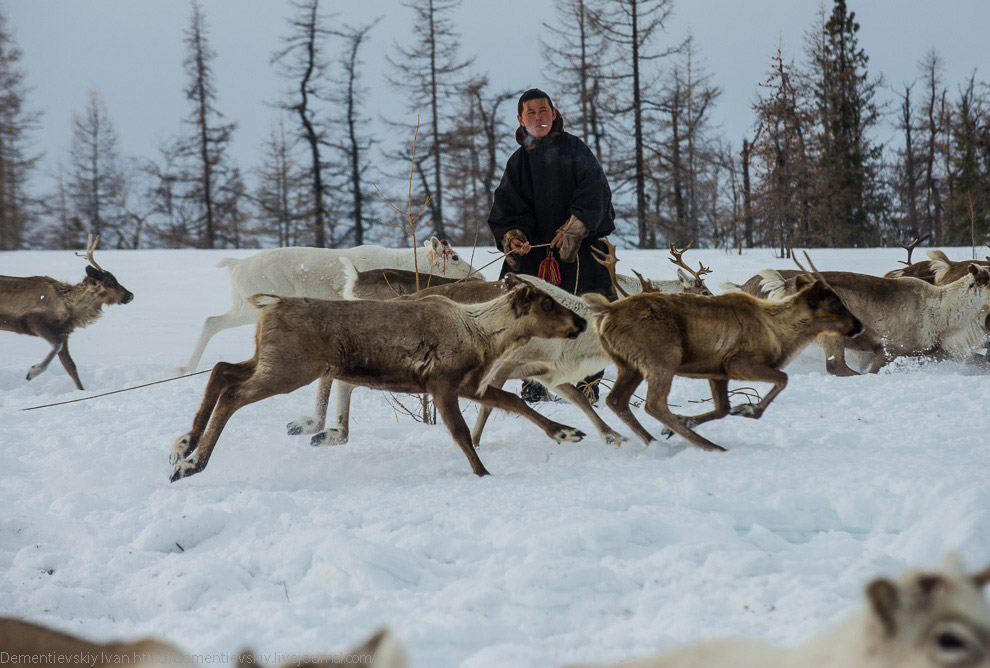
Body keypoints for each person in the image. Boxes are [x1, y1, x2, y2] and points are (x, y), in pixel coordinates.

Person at [488, 88, 616, 404]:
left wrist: (573, 229)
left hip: (581, 251)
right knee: (528, 314)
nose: (538, 117)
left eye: (543, 110)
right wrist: (513, 238)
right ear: (520, 120)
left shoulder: (575, 150)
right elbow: (505, 210)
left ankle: (588, 382)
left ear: (554, 113)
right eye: (531, 112)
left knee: (587, 314)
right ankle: (534, 379)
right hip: (535, 257)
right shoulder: (517, 163)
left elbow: (595, 192)